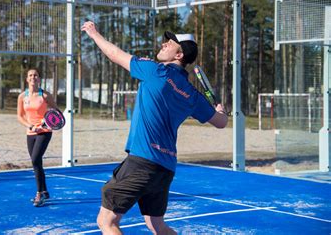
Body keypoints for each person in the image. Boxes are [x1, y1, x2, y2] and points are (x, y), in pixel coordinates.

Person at [81, 21, 228, 234]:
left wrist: (94, 34)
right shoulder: (192, 94)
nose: (164, 44)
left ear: (179, 56)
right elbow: (221, 122)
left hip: (142, 161)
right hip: (165, 168)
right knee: (156, 225)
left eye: (170, 44)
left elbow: (114, 54)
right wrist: (221, 111)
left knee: (107, 221)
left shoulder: (155, 71)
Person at [17, 68, 59, 207]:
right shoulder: (22, 96)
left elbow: (56, 111)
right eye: (30, 75)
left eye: (35, 75)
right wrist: (30, 126)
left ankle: (39, 194)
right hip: (31, 132)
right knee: (37, 163)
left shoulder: (45, 96)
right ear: (27, 79)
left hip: (45, 131)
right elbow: (20, 116)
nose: (33, 77)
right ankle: (45, 191)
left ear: (39, 79)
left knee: (35, 159)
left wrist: (45, 121)